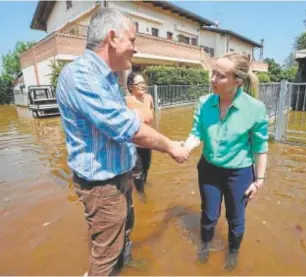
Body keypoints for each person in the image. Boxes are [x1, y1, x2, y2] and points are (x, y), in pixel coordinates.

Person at [56, 8, 189, 276]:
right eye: (133, 39)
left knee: (125, 229)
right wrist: (172, 146)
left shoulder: (108, 78)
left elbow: (117, 120)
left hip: (119, 175)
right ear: (112, 37)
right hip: (102, 185)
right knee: (105, 256)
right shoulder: (82, 75)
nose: (135, 48)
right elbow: (127, 127)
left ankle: (125, 265)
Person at [182, 52, 268, 270]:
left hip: (239, 173)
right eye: (213, 73)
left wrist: (259, 180)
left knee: (236, 218)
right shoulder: (204, 102)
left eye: (220, 76)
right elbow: (196, 133)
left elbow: (260, 148)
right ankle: (205, 246)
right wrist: (184, 148)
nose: (212, 80)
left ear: (237, 81)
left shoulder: (255, 109)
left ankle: (233, 254)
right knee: (209, 214)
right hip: (209, 169)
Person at [126, 72, 153, 201]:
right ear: (131, 86)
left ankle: (143, 183)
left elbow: (150, 115)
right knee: (137, 171)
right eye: (139, 83)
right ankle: (141, 194)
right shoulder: (127, 101)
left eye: (143, 82)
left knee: (146, 166)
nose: (143, 85)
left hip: (147, 141)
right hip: (133, 142)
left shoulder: (149, 98)